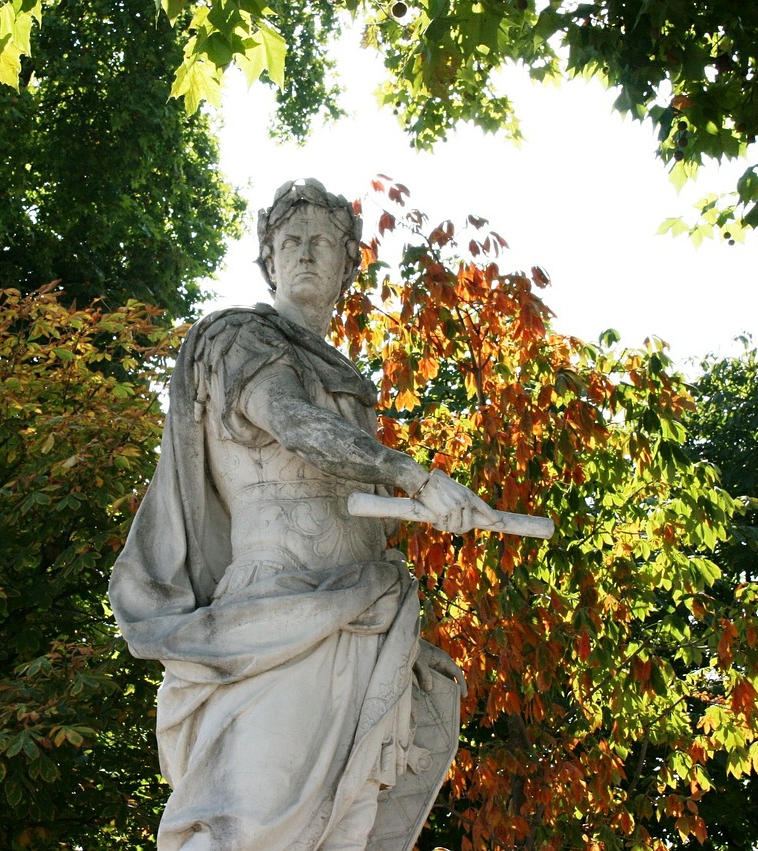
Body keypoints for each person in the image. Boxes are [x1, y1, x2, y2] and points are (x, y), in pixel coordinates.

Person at [109, 179, 498, 850]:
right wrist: (414, 476)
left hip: (360, 609)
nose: (307, 253)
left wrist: (430, 509)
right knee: (245, 823)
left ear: (350, 263)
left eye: (323, 241)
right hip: (276, 611)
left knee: (343, 826)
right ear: (268, 258)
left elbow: (355, 508)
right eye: (291, 241)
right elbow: (290, 422)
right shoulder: (238, 337)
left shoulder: (348, 379)